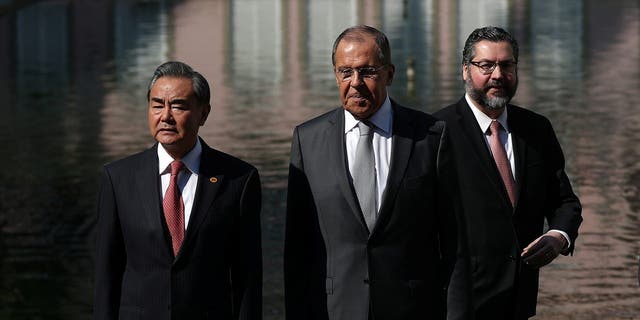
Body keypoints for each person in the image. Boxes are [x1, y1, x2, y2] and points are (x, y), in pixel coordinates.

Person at [284, 25, 469, 320]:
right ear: (335, 74)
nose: (355, 82)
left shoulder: (430, 136)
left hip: (414, 308)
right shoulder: (308, 139)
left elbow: (454, 240)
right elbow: (297, 246)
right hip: (335, 309)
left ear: (390, 74)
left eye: (367, 71)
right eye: (345, 72)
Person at [94, 61, 262, 320]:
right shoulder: (118, 178)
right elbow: (107, 272)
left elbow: (247, 276)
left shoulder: (238, 179)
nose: (166, 116)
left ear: (203, 114)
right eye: (157, 105)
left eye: (179, 106)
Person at [435, 26, 583, 319]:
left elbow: (564, 201)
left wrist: (557, 235)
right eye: (486, 65)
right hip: (456, 303)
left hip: (519, 299)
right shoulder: (436, 132)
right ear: (465, 70)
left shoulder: (536, 129)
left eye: (507, 65)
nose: (498, 75)